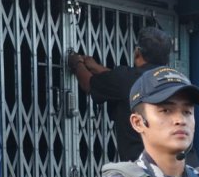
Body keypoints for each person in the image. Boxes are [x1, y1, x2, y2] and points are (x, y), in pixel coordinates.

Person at [68, 26, 172, 162]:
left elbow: (88, 84)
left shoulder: (127, 79)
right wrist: (95, 67)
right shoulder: (176, 80)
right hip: (179, 164)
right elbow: (119, 81)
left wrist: (77, 63)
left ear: (137, 52)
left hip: (143, 166)